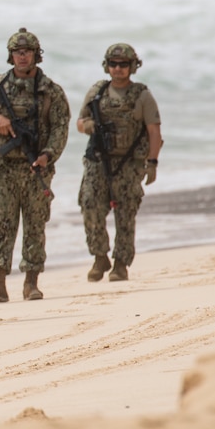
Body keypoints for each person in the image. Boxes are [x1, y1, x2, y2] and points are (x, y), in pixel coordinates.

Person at [0, 28, 70, 302]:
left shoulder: (50, 91)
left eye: (27, 51)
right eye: (17, 52)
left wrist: (47, 156)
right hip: (2, 170)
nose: (22, 56)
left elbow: (60, 129)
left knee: (34, 225)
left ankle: (31, 282)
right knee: (1, 225)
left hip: (35, 169)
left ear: (36, 55)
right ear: (11, 55)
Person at [75, 43, 164, 282]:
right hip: (98, 161)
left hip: (128, 164)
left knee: (125, 214)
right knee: (90, 206)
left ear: (132, 67)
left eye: (123, 64)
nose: (118, 69)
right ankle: (99, 256)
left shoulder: (142, 95)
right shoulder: (97, 92)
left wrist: (152, 162)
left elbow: (154, 131)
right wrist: (90, 126)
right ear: (107, 66)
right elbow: (80, 122)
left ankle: (121, 264)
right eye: (113, 64)